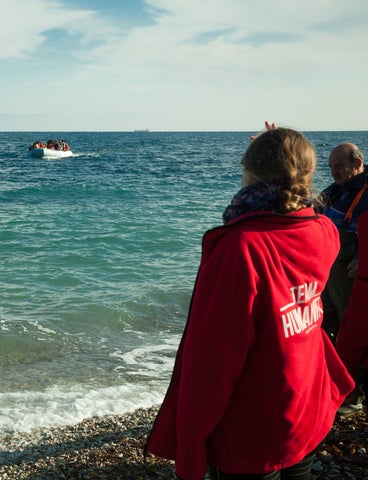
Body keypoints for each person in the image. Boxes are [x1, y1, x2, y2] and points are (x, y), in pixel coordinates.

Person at [145, 126, 354, 480]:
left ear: (250, 172)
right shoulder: (321, 232)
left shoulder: (241, 248)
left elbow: (212, 362)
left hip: (254, 429)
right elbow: (306, 209)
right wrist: (278, 151)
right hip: (305, 405)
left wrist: (191, 448)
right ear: (306, 174)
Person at [317, 142, 367, 342]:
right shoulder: (333, 191)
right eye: (330, 167)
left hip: (352, 278)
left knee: (353, 333)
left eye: (338, 166)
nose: (333, 172)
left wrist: (362, 257)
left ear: (357, 163)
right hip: (328, 275)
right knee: (327, 327)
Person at [335, 212, 368, 417]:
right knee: (349, 341)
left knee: (351, 343)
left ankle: (351, 393)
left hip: (364, 287)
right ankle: (351, 392)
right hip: (361, 284)